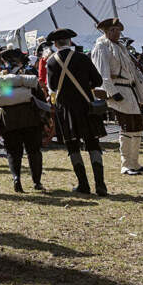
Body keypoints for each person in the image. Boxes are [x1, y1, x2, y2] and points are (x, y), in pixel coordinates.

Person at [41, 28, 108, 195]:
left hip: (66, 110)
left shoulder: (51, 62)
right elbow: (98, 80)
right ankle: (100, 185)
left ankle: (83, 185)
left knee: (72, 146)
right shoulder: (82, 58)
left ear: (56, 44)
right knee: (93, 144)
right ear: (69, 42)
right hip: (86, 106)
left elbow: (53, 87)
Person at [92, 17, 143, 177]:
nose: (117, 33)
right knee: (127, 126)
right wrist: (111, 92)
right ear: (107, 31)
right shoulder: (102, 47)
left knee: (137, 126)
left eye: (118, 30)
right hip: (117, 89)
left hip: (130, 90)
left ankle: (135, 162)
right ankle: (126, 164)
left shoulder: (121, 48)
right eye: (113, 30)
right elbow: (101, 72)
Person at [0, 47, 46, 192]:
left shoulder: (0, 77)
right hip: (30, 119)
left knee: (13, 152)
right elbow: (39, 96)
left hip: (8, 120)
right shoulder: (28, 76)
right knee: (33, 151)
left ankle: (16, 179)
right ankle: (37, 182)